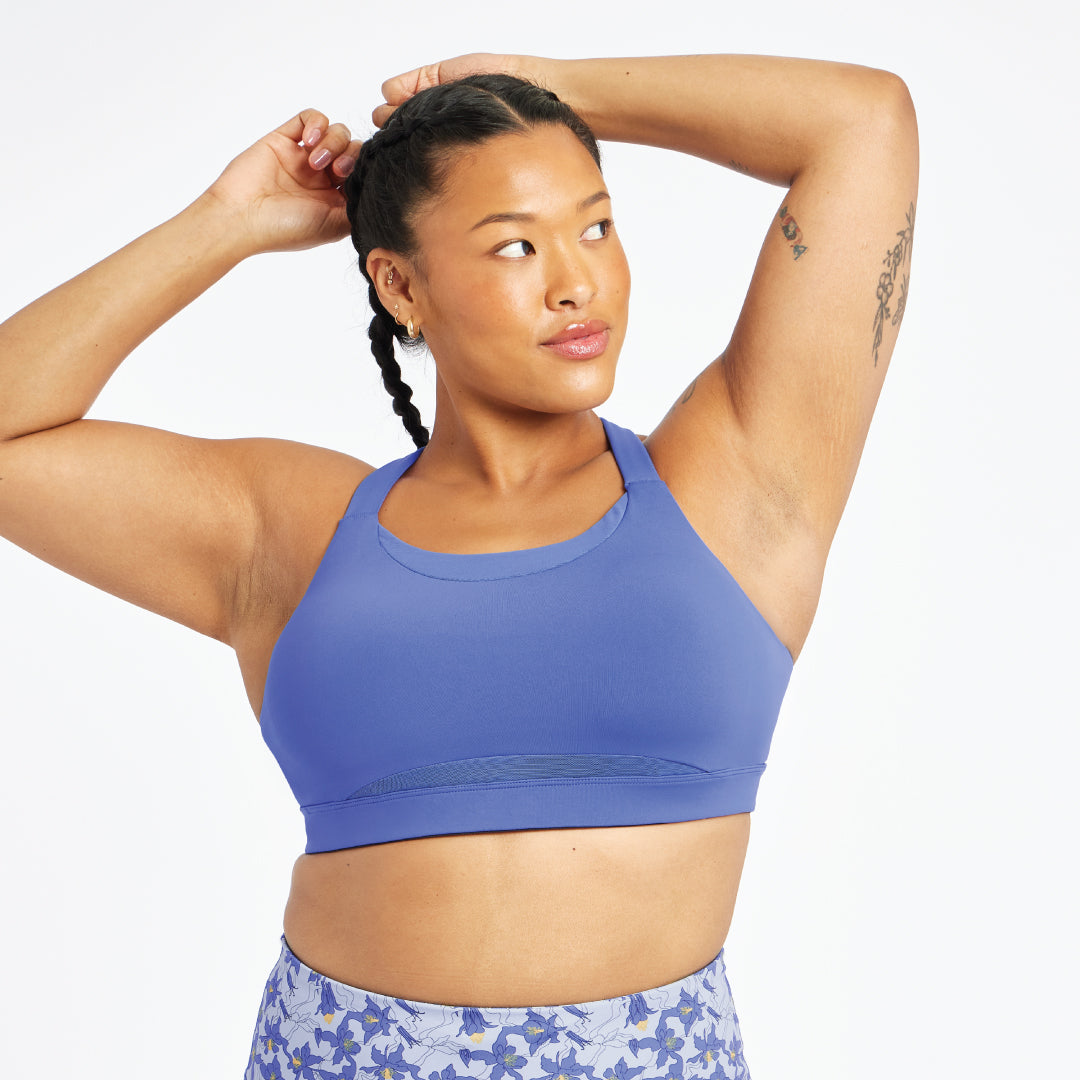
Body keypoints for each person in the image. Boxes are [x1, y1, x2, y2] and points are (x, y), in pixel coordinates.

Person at [0, 52, 918, 1078]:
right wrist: (227, 221)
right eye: (517, 244)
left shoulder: (738, 484)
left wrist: (550, 89)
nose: (578, 281)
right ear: (400, 285)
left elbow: (862, 124)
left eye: (597, 226)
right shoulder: (292, 533)